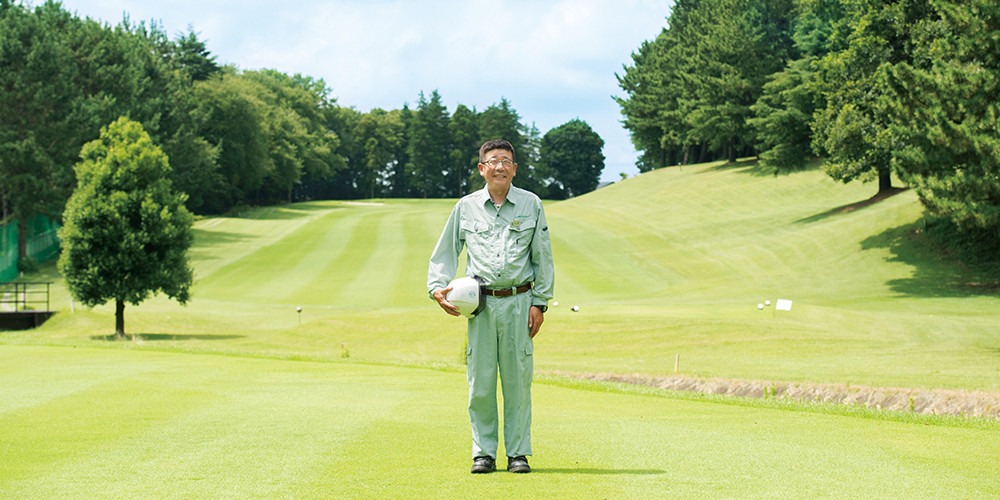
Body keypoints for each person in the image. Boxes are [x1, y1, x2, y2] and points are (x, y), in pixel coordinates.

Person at [427, 139, 554, 474]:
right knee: (480, 382)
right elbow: (445, 252)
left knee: (517, 382)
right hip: (480, 306)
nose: (500, 166)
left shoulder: (532, 204)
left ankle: (518, 454)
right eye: (493, 161)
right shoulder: (466, 207)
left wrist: (540, 302)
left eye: (506, 161)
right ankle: (483, 452)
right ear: (481, 168)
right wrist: (437, 288)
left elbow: (542, 256)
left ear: (515, 168)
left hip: (520, 302)